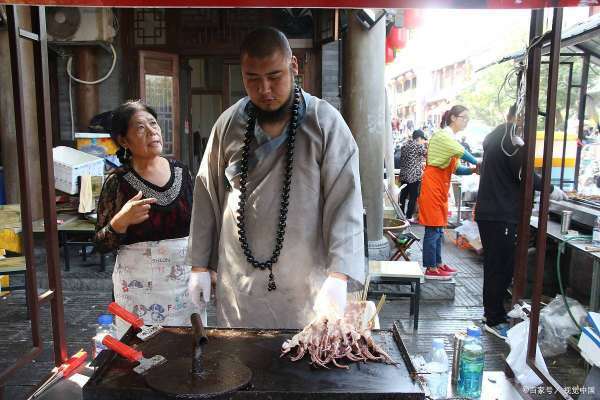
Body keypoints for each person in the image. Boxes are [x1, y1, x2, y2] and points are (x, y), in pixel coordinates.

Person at [185, 27, 365, 329]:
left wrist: (339, 275)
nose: (264, 89)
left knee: (301, 365)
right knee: (238, 364)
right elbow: (206, 195)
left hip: (304, 280)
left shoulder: (324, 123)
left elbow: (345, 201)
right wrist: (199, 264)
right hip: (240, 281)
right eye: (252, 79)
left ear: (293, 66)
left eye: (274, 76)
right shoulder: (228, 125)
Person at [95, 100, 201, 330]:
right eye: (141, 128)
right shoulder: (118, 182)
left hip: (184, 289)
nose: (152, 131)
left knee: (187, 354)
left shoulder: (182, 172)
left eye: (153, 124)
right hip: (138, 295)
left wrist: (207, 267)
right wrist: (120, 222)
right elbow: (101, 244)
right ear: (124, 140)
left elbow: (200, 227)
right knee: (141, 357)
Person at [475, 104, 568, 339]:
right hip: (500, 214)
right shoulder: (511, 141)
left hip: (492, 212)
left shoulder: (497, 135)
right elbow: (525, 174)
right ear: (518, 118)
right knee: (500, 267)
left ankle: (494, 313)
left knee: (497, 266)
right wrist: (551, 188)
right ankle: (493, 318)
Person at [417, 105, 479, 280]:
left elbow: (457, 169)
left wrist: (473, 171)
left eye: (468, 118)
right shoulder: (444, 135)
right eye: (463, 117)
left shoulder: (449, 138)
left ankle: (437, 263)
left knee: (438, 229)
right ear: (453, 118)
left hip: (440, 187)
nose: (466, 121)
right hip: (432, 186)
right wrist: (477, 162)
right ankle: (430, 267)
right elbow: (461, 152)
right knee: (433, 229)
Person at [398, 129, 427, 220]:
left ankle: (400, 215)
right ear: (419, 138)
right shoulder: (418, 146)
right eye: (423, 139)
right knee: (413, 197)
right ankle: (409, 216)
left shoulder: (404, 146)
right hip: (414, 176)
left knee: (403, 195)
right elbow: (428, 155)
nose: (423, 141)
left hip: (403, 175)